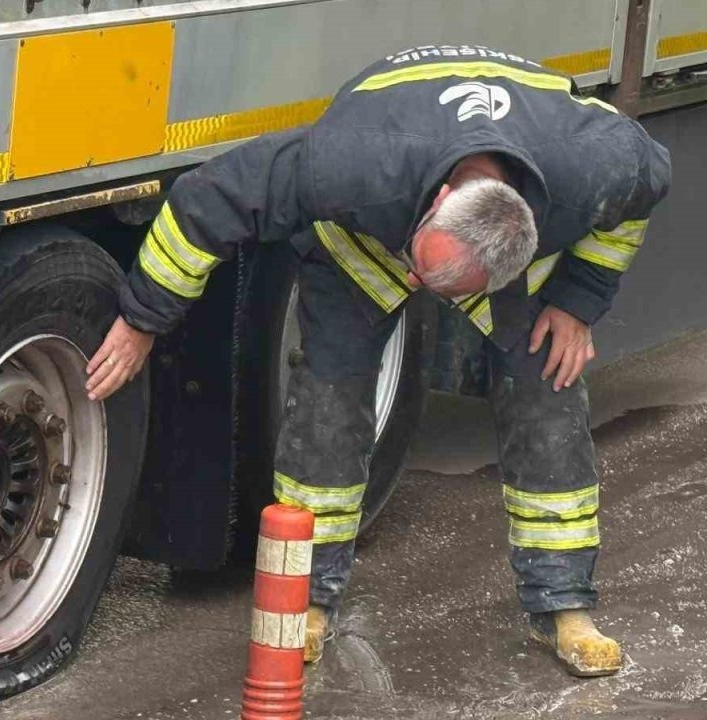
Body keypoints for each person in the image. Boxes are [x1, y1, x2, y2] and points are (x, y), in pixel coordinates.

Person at [84, 45, 671, 677]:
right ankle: (307, 600)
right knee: (328, 405)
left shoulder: (598, 168)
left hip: (494, 247)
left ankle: (565, 606)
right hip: (362, 244)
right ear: (440, 197)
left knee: (547, 392)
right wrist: (142, 319)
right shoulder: (351, 162)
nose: (419, 286)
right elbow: (207, 201)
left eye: (438, 287)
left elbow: (641, 199)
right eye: (421, 267)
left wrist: (579, 301)